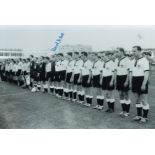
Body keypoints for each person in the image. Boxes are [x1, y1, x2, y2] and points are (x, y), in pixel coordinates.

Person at [130, 46, 150, 123]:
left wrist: (144, 84)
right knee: (137, 99)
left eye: (134, 51)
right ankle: (139, 115)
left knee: (144, 100)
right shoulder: (133, 61)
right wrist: (131, 82)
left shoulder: (144, 60)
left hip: (142, 80)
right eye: (132, 51)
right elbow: (132, 73)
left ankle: (145, 117)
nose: (133, 53)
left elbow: (146, 73)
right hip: (135, 80)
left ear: (139, 51)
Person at [115, 48, 131, 117]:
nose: (116, 53)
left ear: (122, 52)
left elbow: (128, 71)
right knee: (120, 94)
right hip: (118, 78)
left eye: (117, 52)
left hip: (124, 77)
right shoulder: (116, 60)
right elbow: (116, 70)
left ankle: (127, 111)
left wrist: (127, 81)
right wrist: (115, 80)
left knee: (126, 94)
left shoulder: (127, 60)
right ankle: (123, 110)